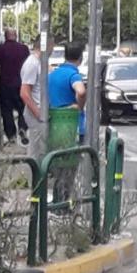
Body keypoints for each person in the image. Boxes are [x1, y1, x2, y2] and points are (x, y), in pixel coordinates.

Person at [45, 44, 87, 203]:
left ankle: (58, 200)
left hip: (55, 125)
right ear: (81, 58)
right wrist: (79, 106)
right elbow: (81, 91)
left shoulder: (52, 74)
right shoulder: (73, 75)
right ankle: (63, 202)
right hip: (72, 126)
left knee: (59, 164)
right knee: (70, 167)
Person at [0, 28, 30, 147]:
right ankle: (23, 127)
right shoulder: (24, 49)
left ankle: (11, 136)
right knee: (23, 109)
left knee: (7, 111)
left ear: (5, 36)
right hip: (21, 83)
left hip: (5, 84)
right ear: (16, 35)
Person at [20, 47, 46, 160]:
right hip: (35, 111)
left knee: (40, 148)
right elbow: (25, 93)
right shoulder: (32, 63)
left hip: (38, 110)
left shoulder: (39, 62)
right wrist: (39, 114)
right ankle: (35, 174)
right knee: (37, 150)